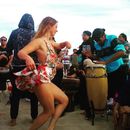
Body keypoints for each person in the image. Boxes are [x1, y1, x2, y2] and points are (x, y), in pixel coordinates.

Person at [17, 16, 71, 130]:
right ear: (49, 26)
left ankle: (51, 127)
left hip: (46, 79)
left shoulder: (50, 42)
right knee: (48, 111)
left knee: (64, 100)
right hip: (41, 78)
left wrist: (66, 43)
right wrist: (28, 58)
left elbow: (60, 45)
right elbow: (21, 52)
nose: (57, 30)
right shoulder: (39, 41)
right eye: (56, 27)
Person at [6, 13, 38, 126]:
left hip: (17, 67)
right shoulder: (36, 34)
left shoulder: (14, 32)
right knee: (34, 93)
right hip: (32, 68)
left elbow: (8, 49)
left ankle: (13, 119)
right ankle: (34, 118)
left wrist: (6, 59)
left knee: (15, 93)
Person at [92, 28, 126, 105]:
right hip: (107, 72)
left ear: (104, 36)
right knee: (110, 96)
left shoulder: (112, 38)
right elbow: (99, 57)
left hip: (118, 69)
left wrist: (106, 62)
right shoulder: (96, 44)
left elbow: (122, 52)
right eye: (96, 41)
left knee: (120, 96)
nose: (98, 42)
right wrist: (91, 56)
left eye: (99, 40)